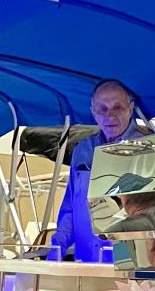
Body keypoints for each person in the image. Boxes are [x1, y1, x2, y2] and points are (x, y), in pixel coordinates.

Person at [53, 79, 146, 262]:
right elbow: (71, 206)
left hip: (130, 263)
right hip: (86, 260)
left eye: (117, 107)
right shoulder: (82, 150)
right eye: (102, 109)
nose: (110, 115)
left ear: (130, 108)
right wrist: (58, 245)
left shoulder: (148, 148)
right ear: (93, 113)